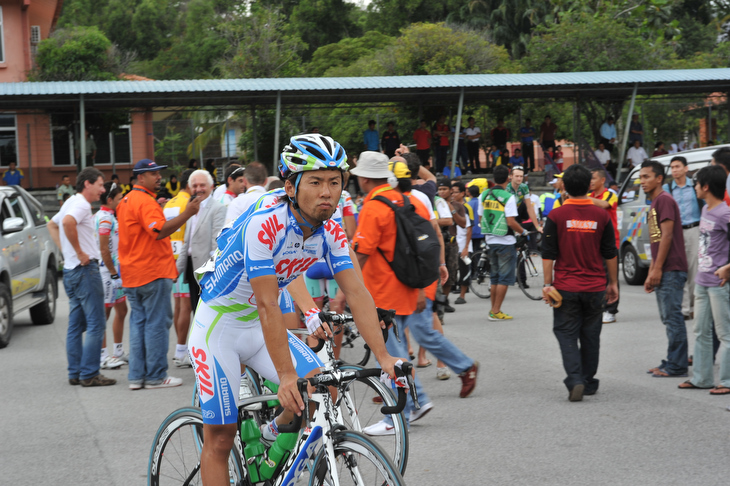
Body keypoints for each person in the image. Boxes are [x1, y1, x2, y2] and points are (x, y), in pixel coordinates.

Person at [190, 137, 404, 484]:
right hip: (220, 327)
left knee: (323, 389)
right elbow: (267, 303)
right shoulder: (266, 222)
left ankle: (271, 442)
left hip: (260, 329)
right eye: (315, 181)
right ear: (290, 185)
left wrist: (383, 357)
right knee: (222, 436)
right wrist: (286, 375)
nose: (327, 192)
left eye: (334, 182)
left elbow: (357, 291)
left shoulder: (330, 227)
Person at [352, 152, 477, 437]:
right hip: (409, 287)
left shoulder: (373, 206)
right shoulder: (410, 200)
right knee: (397, 350)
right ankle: (416, 402)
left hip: (384, 293)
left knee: (388, 355)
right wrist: (423, 285)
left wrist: (347, 291)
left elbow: (360, 254)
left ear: (363, 177)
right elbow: (428, 242)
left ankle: (404, 412)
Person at [117, 159, 201, 390]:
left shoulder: (126, 200)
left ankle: (136, 376)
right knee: (155, 324)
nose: (158, 177)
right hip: (151, 272)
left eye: (158, 173)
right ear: (140, 177)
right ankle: (155, 376)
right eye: (153, 173)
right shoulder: (145, 201)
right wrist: (188, 213)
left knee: (139, 324)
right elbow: (159, 230)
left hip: (133, 273)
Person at [542, 164, 619, 401]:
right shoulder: (601, 215)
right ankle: (589, 381)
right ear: (588, 186)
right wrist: (613, 283)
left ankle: (575, 379)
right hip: (595, 286)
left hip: (566, 286)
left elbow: (548, 254)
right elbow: (610, 252)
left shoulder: (556, 215)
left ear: (564, 186)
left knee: (566, 333)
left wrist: (547, 284)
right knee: (591, 334)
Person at [48, 168, 115, 387]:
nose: (102, 190)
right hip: (85, 270)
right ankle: (89, 373)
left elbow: (52, 223)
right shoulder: (82, 204)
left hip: (71, 271)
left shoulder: (70, 201)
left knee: (75, 325)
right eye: (100, 185)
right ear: (87, 184)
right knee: (96, 324)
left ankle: (75, 372)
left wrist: (67, 252)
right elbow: (66, 223)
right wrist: (78, 252)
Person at [680, 165, 730, 394]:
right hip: (702, 281)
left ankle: (728, 381)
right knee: (701, 331)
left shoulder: (724, 213)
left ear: (706, 187)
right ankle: (702, 378)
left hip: (720, 285)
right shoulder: (705, 210)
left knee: (725, 334)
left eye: (697, 184)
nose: (694, 187)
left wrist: (728, 268)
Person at [640, 160, 689, 378]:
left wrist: (658, 269)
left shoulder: (664, 201)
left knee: (673, 317)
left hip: (672, 268)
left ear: (659, 178)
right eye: (640, 177)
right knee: (668, 318)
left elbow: (667, 236)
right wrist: (651, 271)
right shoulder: (655, 202)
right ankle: (672, 360)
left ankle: (677, 365)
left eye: (646, 177)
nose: (642, 181)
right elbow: (656, 240)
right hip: (662, 268)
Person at [479, 165, 530, 320]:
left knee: (494, 276)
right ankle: (496, 311)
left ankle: (493, 310)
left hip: (490, 240)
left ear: (493, 178)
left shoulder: (484, 194)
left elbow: (481, 219)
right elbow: (511, 222)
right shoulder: (508, 197)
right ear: (508, 178)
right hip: (505, 241)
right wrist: (523, 231)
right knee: (505, 278)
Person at [177, 170, 227, 321]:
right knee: (195, 312)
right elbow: (187, 242)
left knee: (207, 314)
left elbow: (216, 244)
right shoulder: (191, 207)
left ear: (211, 187)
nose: (198, 189)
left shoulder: (217, 208)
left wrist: (211, 273)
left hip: (206, 270)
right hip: (191, 268)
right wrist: (176, 271)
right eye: (195, 185)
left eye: (202, 185)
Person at [163, 169, 195, 371]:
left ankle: (179, 350)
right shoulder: (188, 204)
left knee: (178, 305)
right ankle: (181, 352)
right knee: (185, 307)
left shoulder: (170, 202)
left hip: (170, 258)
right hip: (183, 258)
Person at [663, 156, 703, 319]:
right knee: (680, 269)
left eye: (678, 167)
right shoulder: (667, 189)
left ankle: (694, 306)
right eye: (672, 167)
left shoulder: (694, 186)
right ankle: (685, 308)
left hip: (694, 229)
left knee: (694, 269)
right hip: (675, 232)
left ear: (686, 169)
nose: (675, 170)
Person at [95, 181, 128, 371]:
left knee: (122, 311)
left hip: (114, 271)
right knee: (104, 315)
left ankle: (118, 352)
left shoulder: (109, 216)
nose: (121, 200)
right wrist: (114, 274)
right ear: (109, 199)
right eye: (119, 198)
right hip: (107, 273)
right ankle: (102, 356)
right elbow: (104, 250)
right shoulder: (105, 218)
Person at [588, 169, 620, 323]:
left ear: (602, 180)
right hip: (593, 242)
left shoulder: (610, 194)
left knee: (610, 277)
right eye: (589, 179)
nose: (591, 182)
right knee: (596, 276)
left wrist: (581, 198)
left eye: (593, 179)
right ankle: (598, 308)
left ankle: (611, 310)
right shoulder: (588, 196)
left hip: (610, 242)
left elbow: (604, 204)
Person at [438, 178, 467, 312]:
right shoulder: (435, 203)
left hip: (451, 244)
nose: (441, 192)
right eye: (439, 189)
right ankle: (438, 301)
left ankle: (444, 299)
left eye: (444, 189)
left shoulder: (457, 205)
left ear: (450, 191)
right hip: (438, 243)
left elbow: (463, 223)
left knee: (451, 274)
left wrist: (452, 210)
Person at [451, 181, 472, 304]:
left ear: (463, 193)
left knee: (464, 271)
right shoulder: (448, 205)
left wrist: (466, 247)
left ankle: (462, 295)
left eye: (456, 192)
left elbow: (469, 227)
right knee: (452, 270)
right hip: (453, 243)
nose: (453, 194)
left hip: (463, 243)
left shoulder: (466, 208)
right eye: (452, 192)